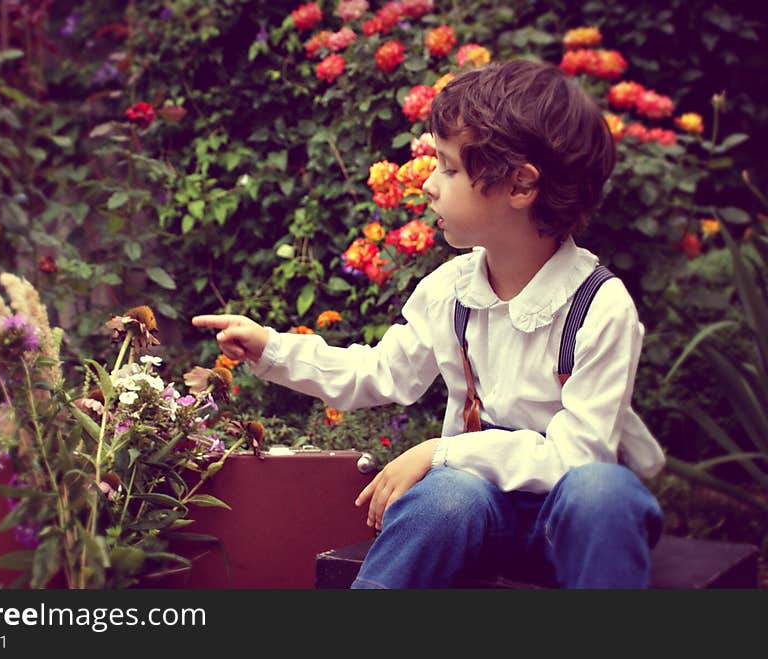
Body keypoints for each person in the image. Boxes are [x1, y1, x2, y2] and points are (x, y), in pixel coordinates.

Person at [192, 59, 665, 589]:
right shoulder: (452, 289)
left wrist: (442, 450)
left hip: (573, 527)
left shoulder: (599, 306)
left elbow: (578, 457)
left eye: (448, 167)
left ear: (520, 185)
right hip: (479, 516)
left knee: (603, 491)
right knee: (444, 495)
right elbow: (375, 373)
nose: (429, 185)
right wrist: (270, 349)